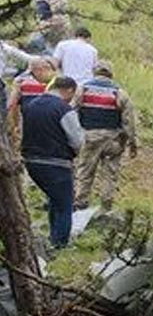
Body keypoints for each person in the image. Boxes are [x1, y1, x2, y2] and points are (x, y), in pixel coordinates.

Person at [22, 76, 84, 249]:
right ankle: (60, 244)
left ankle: (53, 237)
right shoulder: (63, 109)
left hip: (31, 161)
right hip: (57, 162)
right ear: (69, 90)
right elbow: (77, 140)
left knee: (54, 200)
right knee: (65, 204)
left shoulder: (30, 105)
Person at [75, 60, 137, 209]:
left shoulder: (83, 89)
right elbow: (128, 122)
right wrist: (132, 143)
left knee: (85, 171)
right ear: (111, 74)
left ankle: (81, 202)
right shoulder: (119, 93)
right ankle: (106, 204)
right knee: (110, 173)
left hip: (89, 137)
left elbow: (72, 111)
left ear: (95, 72)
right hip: (113, 140)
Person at [6, 57, 55, 144]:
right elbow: (13, 104)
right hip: (33, 120)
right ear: (38, 70)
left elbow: (12, 104)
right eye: (47, 68)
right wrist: (14, 124)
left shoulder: (20, 80)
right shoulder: (23, 82)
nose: (50, 71)